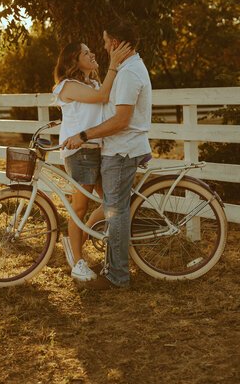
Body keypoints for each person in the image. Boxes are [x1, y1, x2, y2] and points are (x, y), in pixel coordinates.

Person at [62, 18, 152, 289]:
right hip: (116, 149)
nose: (101, 47)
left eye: (103, 42)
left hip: (121, 150)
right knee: (113, 208)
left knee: (116, 212)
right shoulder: (126, 70)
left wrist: (84, 135)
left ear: (114, 43)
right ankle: (110, 265)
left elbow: (121, 120)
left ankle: (117, 276)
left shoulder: (126, 73)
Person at [53, 39, 132, 282]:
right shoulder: (66, 86)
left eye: (90, 51)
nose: (92, 54)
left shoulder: (95, 82)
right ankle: (77, 262)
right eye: (85, 53)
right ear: (73, 61)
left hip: (100, 149)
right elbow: (101, 96)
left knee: (112, 202)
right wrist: (115, 64)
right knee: (79, 207)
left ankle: (77, 238)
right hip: (80, 153)